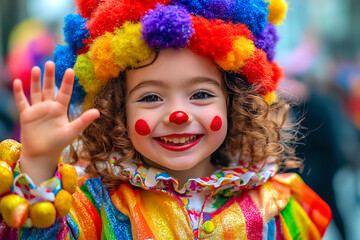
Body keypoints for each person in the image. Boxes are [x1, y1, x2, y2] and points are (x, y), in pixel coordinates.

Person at [0, 0, 331, 239]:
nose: (178, 114)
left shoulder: (280, 205)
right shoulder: (95, 203)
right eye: (151, 97)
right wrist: (39, 164)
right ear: (118, 110)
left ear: (234, 103)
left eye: (200, 94)